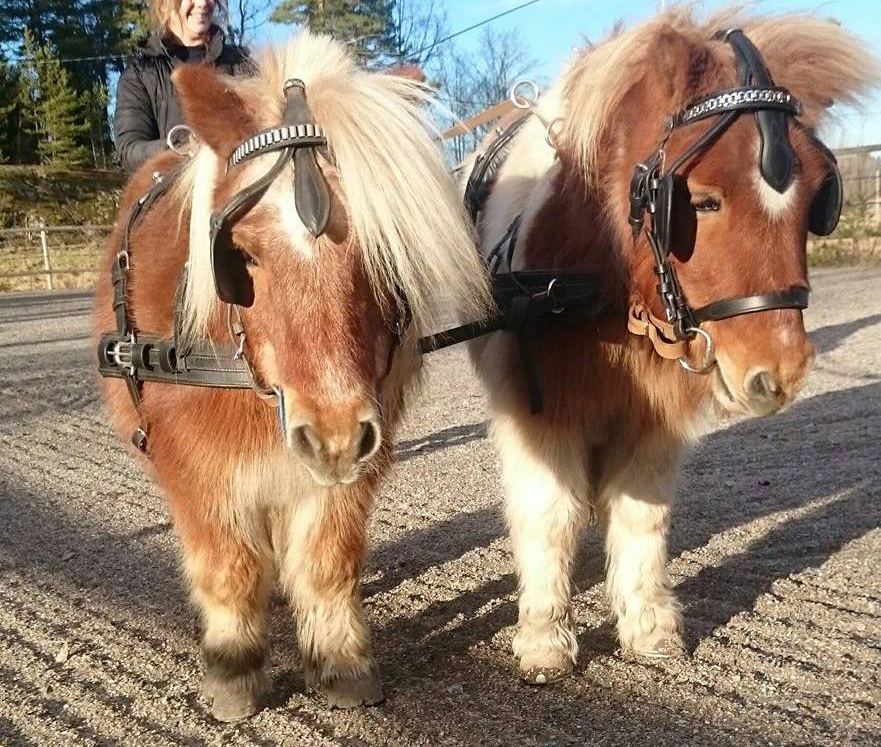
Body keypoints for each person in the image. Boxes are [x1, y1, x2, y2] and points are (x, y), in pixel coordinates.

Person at [114, 0, 250, 172]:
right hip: (173, 190)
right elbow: (129, 151)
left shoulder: (241, 62)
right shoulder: (141, 73)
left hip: (239, 184)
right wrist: (183, 145)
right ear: (164, 5)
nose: (202, 3)